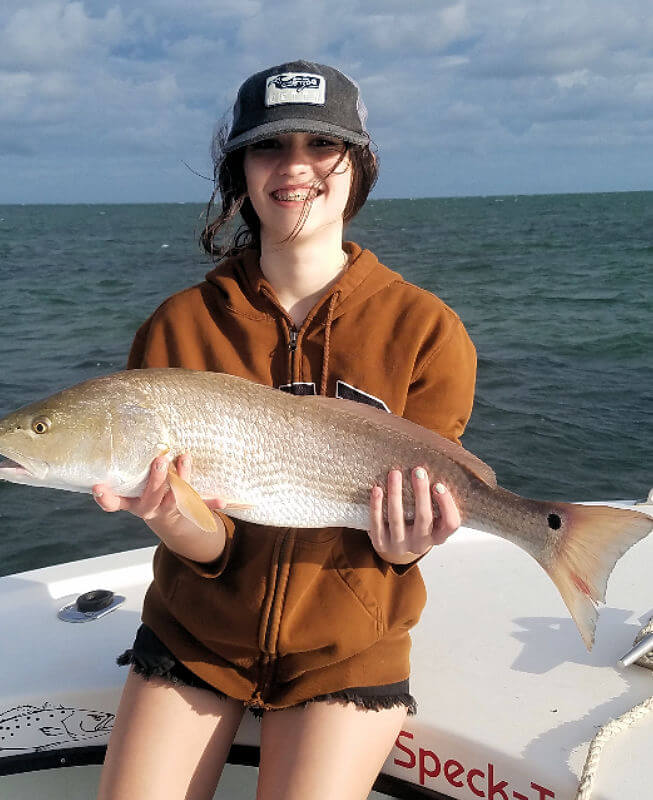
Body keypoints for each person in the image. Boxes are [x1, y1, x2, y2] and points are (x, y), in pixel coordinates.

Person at [95, 60, 476, 800]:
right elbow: (210, 545)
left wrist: (407, 545)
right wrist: (172, 517)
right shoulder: (179, 326)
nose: (295, 167)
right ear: (240, 170)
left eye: (319, 146)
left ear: (357, 165)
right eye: (270, 148)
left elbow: (407, 534)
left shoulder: (426, 329)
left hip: (346, 653)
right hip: (194, 641)